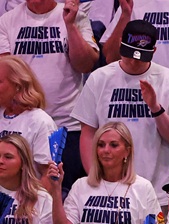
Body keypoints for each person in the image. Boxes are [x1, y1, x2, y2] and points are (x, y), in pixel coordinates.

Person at [72, 20, 169, 207]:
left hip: (156, 189)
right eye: (128, 54)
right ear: (120, 44)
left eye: (141, 57)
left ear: (153, 52)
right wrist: (94, 177)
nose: (133, 61)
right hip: (108, 186)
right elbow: (88, 133)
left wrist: (156, 108)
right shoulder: (99, 78)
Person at [0, 0, 98, 185]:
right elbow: (5, 75)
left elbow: (85, 65)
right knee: (17, 199)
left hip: (66, 126)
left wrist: (70, 25)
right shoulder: (7, 21)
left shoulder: (74, 16)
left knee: (62, 197)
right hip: (23, 128)